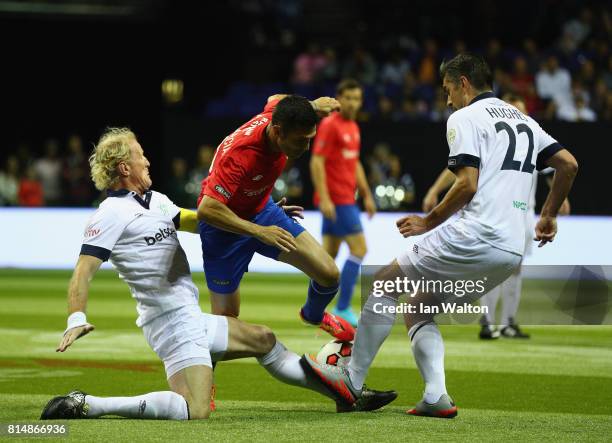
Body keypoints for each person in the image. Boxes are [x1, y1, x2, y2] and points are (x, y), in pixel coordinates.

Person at [40, 127, 397, 420]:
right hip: (170, 324)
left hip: (191, 317)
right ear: (123, 168)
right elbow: (82, 272)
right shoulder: (110, 214)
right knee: (193, 411)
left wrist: (258, 210)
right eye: (139, 154)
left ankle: (347, 394)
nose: (147, 160)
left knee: (265, 339)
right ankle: (89, 405)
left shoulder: (156, 202)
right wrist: (76, 316)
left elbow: (202, 219)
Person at [301, 54, 578, 418]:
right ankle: (436, 396)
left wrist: (428, 221)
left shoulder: (465, 117)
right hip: (510, 252)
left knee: (384, 284)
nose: (447, 99)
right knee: (417, 308)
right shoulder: (526, 120)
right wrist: (549, 215)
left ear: (463, 83)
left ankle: (352, 379)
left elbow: (466, 183)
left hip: (475, 236)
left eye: (448, 90)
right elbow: (569, 164)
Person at [196, 94, 355, 341]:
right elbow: (207, 209)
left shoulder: (277, 114)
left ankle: (313, 315)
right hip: (223, 229)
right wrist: (259, 231)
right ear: (278, 131)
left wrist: (311, 106)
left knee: (329, 274)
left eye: (310, 139)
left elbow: (276, 98)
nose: (306, 147)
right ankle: (203, 380)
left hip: (262, 212)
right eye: (300, 141)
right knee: (226, 322)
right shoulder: (240, 155)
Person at [422, 93, 571, 340]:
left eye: (523, 111)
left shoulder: (529, 140)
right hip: (496, 214)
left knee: (513, 269)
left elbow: (552, 169)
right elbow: (458, 170)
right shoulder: (496, 140)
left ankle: (506, 323)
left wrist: (559, 199)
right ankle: (488, 321)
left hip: (521, 215)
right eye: (517, 111)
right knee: (496, 269)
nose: (520, 117)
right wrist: (435, 190)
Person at [310, 79, 376, 326]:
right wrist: (325, 197)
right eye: (348, 97)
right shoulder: (329, 125)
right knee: (359, 249)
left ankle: (313, 309)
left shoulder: (354, 127)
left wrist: (367, 194)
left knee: (328, 257)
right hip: (337, 200)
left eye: (357, 98)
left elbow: (355, 162)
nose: (353, 103)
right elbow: (317, 161)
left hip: (346, 198)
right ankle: (343, 307)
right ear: (338, 99)